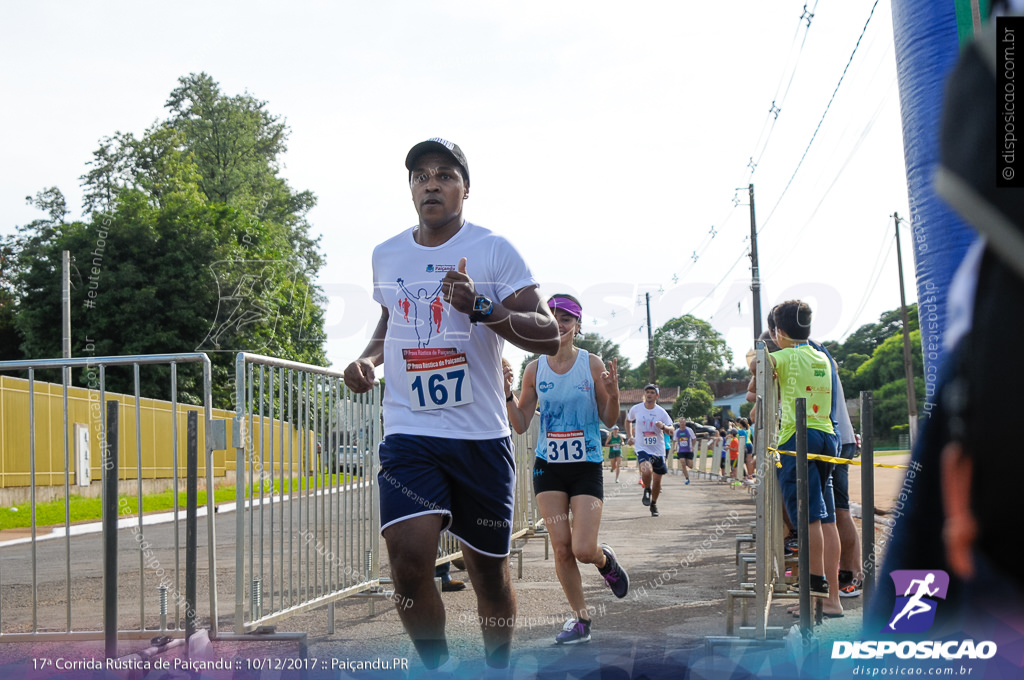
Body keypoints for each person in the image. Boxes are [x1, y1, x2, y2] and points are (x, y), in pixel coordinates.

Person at [343, 138, 560, 673]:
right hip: (409, 434)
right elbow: (390, 321)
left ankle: (497, 667)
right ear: (411, 189)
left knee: (487, 572)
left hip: (479, 438)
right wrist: (368, 360)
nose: (431, 183)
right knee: (409, 563)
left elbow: (549, 335)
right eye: (420, 175)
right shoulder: (387, 253)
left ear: (465, 187)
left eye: (444, 174)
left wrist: (482, 307)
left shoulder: (493, 249)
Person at [504, 294, 629, 644]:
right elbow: (520, 423)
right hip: (549, 468)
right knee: (561, 548)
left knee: (583, 549)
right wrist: (507, 393)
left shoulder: (591, 365)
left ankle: (605, 562)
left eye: (567, 318)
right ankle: (580, 620)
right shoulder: (534, 369)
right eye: (552, 316)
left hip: (585, 465)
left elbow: (608, 417)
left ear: (578, 326)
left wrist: (614, 394)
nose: (559, 323)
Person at [769, 299, 844, 619]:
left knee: (808, 518)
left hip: (797, 438)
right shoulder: (823, 356)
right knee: (826, 519)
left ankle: (813, 596)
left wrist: (766, 353)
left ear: (779, 332)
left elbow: (755, 371)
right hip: (828, 437)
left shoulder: (783, 357)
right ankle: (832, 599)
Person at [626, 385, 674, 517]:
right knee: (646, 469)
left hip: (658, 450)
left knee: (657, 481)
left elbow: (671, 430)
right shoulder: (636, 408)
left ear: (657, 396)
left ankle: (653, 504)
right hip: (642, 447)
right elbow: (628, 420)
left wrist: (663, 426)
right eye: (647, 392)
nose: (649, 394)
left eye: (652, 392)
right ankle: (647, 489)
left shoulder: (661, 412)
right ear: (644, 394)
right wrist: (630, 436)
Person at [674, 417, 695, 485]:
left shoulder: (689, 430)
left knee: (690, 466)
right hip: (681, 450)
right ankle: (687, 478)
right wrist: (674, 448)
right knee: (683, 463)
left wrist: (693, 446)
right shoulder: (677, 431)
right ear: (679, 423)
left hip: (688, 450)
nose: (682, 424)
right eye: (681, 422)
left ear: (685, 423)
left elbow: (694, 438)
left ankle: (686, 462)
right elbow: (675, 441)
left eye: (683, 422)